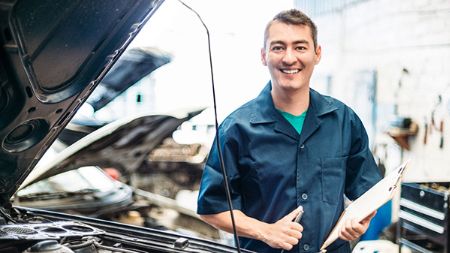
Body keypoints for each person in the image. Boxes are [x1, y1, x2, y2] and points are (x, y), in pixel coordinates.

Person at [197, 9, 382, 253]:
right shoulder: (236, 129)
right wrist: (265, 231)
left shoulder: (343, 120)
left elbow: (369, 193)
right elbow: (212, 208)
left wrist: (360, 220)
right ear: (264, 56)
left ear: (317, 54)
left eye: (300, 47)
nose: (289, 58)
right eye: (278, 47)